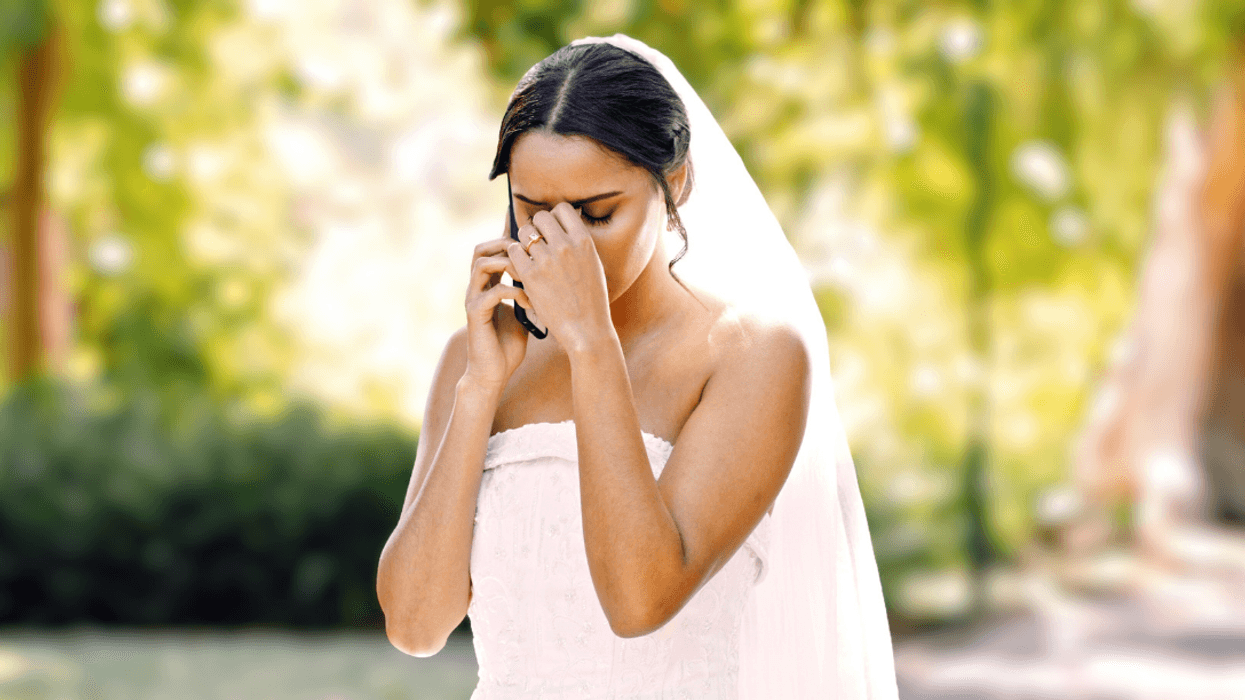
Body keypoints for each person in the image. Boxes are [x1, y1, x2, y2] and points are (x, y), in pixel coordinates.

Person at [377, 34, 898, 698]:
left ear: (673, 182)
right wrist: (479, 388)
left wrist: (591, 345)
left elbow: (639, 602)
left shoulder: (753, 356)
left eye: (597, 215)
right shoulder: (474, 354)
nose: (561, 246)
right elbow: (415, 626)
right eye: (532, 209)